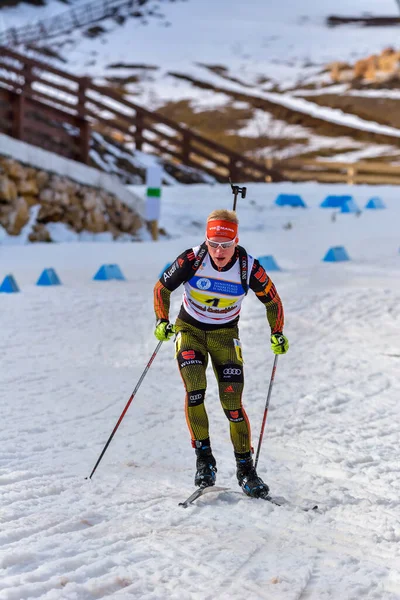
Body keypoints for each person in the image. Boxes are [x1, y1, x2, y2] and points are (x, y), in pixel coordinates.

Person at [153, 209, 288, 499]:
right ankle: (205, 461)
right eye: (213, 244)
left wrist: (276, 331)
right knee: (195, 390)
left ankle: (246, 470)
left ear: (236, 242)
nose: (219, 251)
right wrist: (161, 321)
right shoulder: (192, 259)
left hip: (225, 335)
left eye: (226, 246)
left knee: (232, 404)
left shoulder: (248, 266)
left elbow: (272, 300)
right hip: (189, 330)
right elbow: (162, 288)